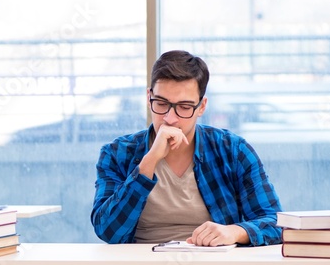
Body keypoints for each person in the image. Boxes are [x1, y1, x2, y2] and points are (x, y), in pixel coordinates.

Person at [90, 50, 283, 247]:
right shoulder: (116, 154)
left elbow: (277, 224)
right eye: (161, 103)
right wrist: (149, 162)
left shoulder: (232, 150)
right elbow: (106, 230)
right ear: (149, 97)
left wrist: (234, 232)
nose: (170, 118)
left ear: (201, 106)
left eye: (184, 107)